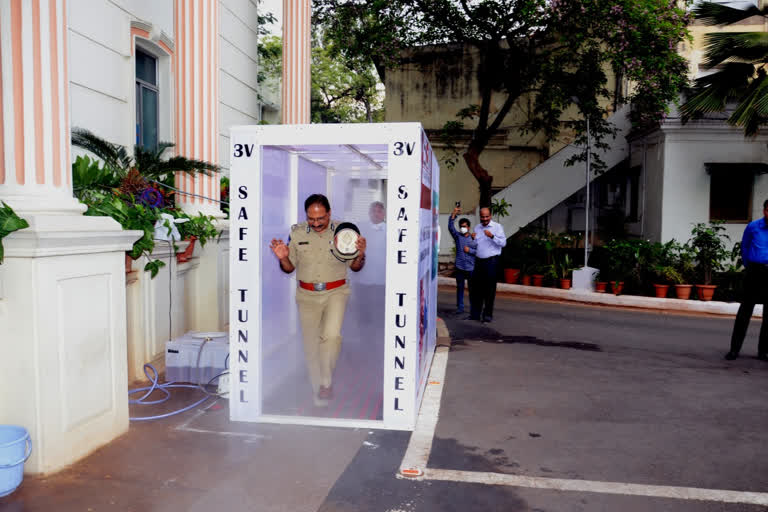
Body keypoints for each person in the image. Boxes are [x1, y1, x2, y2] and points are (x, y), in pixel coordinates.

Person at [270, 194, 367, 406]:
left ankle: (326, 382)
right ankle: (319, 395)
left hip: (336, 292)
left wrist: (360, 254)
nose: (315, 223)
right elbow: (289, 269)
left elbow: (355, 266)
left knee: (331, 337)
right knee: (311, 346)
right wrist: (283, 257)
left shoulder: (345, 232)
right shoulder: (296, 233)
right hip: (306, 295)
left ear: (329, 214)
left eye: (320, 218)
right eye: (311, 219)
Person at [725, 199, 768, 361]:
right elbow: (745, 246)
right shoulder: (753, 227)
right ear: (764, 211)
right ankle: (734, 350)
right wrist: (749, 266)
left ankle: (763, 351)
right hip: (755, 272)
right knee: (745, 311)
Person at [352, 201, 387, 339]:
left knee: (380, 310)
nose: (376, 214)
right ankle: (364, 339)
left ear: (383, 214)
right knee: (363, 310)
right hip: (362, 279)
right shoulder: (361, 229)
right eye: (373, 211)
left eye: (379, 211)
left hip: (382, 279)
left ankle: (380, 337)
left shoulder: (392, 230)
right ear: (369, 213)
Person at [469, 206, 507, 323]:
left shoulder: (497, 227)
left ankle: (487, 315)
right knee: (476, 289)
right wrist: (473, 239)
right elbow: (475, 245)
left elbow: (503, 243)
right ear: (480, 216)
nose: (484, 219)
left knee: (489, 290)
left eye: (486, 216)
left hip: (491, 262)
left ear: (490, 216)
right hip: (479, 262)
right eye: (482, 216)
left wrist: (492, 236)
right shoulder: (477, 227)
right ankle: (475, 314)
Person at [448, 206, 477, 314]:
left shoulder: (474, 238)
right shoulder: (458, 236)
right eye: (461, 226)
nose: (462, 228)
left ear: (468, 227)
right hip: (460, 267)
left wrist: (469, 250)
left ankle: (473, 308)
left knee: (472, 290)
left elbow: (478, 251)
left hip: (470, 268)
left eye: (464, 226)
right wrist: (453, 214)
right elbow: (451, 227)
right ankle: (460, 307)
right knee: (460, 288)